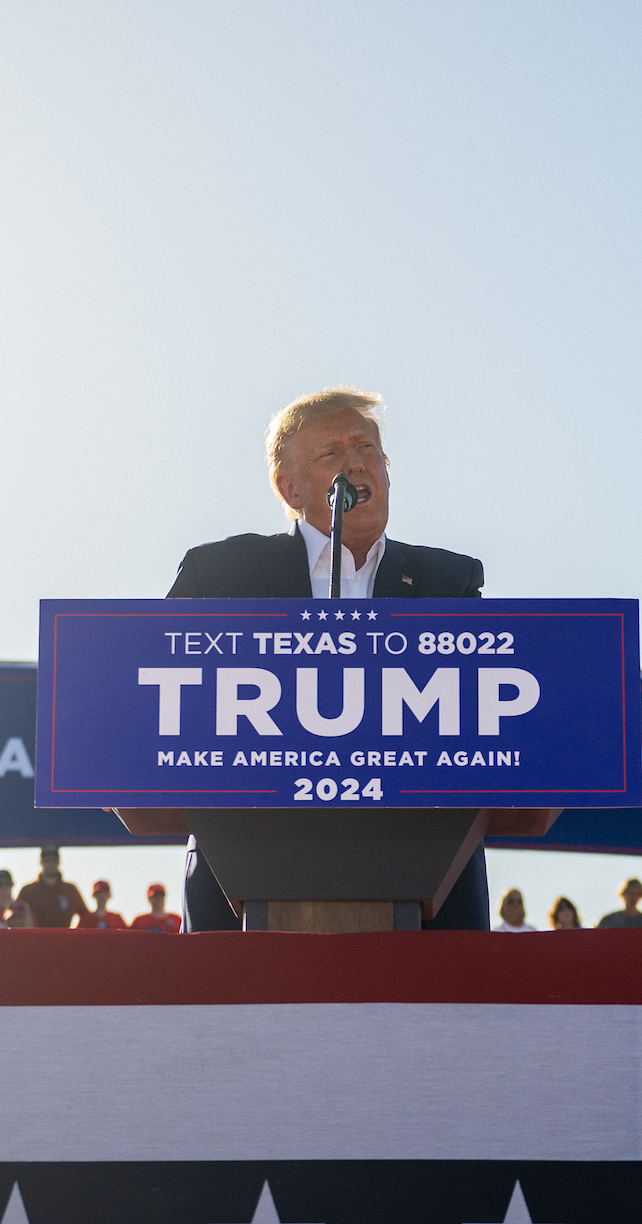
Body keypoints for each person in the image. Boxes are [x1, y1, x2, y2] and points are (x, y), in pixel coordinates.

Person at [166, 387, 490, 933]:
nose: (357, 462)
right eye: (331, 453)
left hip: (430, 884)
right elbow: (151, 692)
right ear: (287, 487)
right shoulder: (222, 576)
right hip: (243, 873)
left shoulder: (448, 583)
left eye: (367, 448)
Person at [18, 847, 88, 928]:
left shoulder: (70, 890)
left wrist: (75, 935)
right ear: (41, 862)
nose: (51, 863)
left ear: (59, 862)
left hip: (63, 939)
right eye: (47, 860)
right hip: (35, 939)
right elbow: (14, 917)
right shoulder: (28, 891)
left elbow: (86, 917)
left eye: (54, 860)